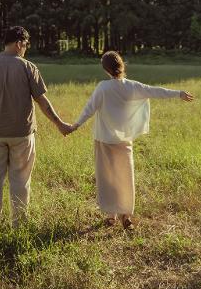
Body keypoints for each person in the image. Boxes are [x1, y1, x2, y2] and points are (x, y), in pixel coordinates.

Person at [69, 51, 194, 230]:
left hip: (104, 140)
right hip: (124, 141)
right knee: (126, 176)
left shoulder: (102, 87)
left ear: (105, 69)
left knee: (107, 177)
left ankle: (111, 215)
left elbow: (89, 109)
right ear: (122, 66)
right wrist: (178, 93)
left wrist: (75, 126)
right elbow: (154, 91)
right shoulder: (131, 86)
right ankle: (125, 215)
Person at [0, 25, 72, 225]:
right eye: (25, 44)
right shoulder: (28, 67)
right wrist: (59, 123)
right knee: (20, 180)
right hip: (22, 135)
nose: (26, 48)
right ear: (18, 43)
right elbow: (42, 101)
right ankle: (19, 224)